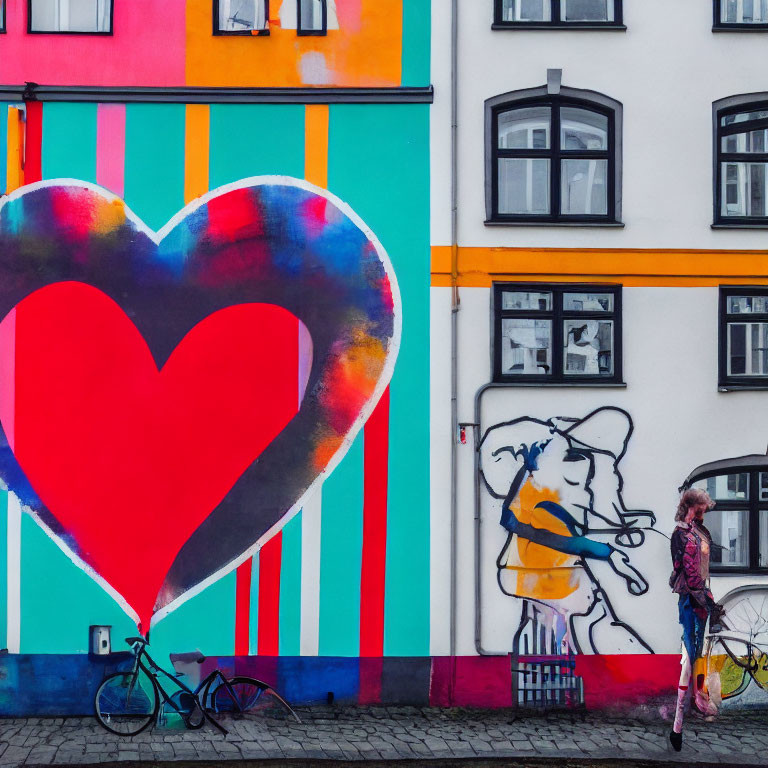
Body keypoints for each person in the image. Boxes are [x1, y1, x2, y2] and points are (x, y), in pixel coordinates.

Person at [668, 487, 717, 751]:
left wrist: (709, 598)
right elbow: (688, 572)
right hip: (690, 600)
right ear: (693, 506)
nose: (705, 511)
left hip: (701, 598)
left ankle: (693, 707)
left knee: (696, 655)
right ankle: (678, 725)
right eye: (702, 507)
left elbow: (702, 569)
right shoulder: (680, 535)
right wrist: (705, 599)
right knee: (689, 657)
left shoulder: (699, 532)